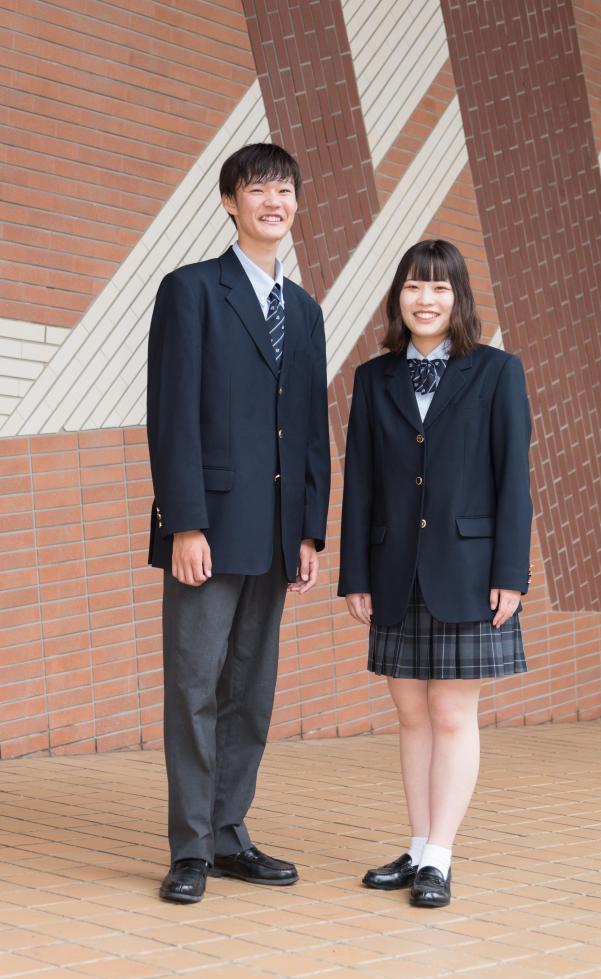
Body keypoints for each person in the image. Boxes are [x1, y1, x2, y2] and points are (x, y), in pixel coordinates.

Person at [147, 143, 330, 903]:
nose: (273, 201)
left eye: (285, 190)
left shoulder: (306, 309)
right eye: (259, 189)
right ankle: (189, 847)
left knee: (250, 692)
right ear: (230, 203)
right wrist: (185, 523)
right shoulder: (191, 290)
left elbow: (313, 425)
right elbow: (172, 415)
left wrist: (311, 528)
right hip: (210, 528)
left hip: (277, 532)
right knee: (194, 687)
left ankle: (229, 835)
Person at [338, 239, 532, 908]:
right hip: (394, 567)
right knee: (410, 714)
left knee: (452, 713)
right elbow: (358, 483)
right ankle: (418, 847)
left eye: (440, 288)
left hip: (471, 570)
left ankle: (441, 858)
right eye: (415, 287)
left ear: (459, 299)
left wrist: (512, 572)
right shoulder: (373, 378)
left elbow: (515, 481)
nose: (426, 299)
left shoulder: (498, 372)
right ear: (399, 298)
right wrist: (354, 573)